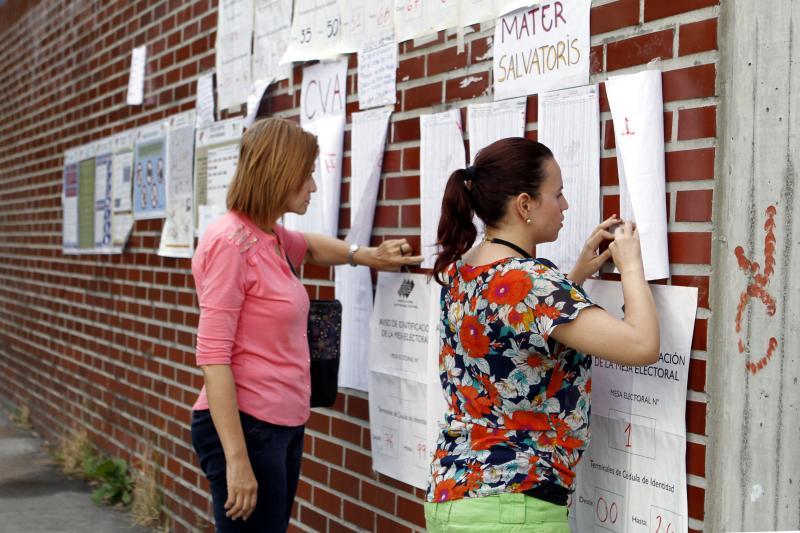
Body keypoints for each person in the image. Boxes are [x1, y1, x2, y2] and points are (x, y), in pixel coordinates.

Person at [190, 117, 422, 533]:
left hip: (281, 422)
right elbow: (213, 357)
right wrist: (237, 460)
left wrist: (367, 255)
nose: (313, 186)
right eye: (306, 175)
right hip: (248, 425)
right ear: (279, 173)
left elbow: (311, 245)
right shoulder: (228, 243)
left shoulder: (269, 236)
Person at [425, 138, 659, 532]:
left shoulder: (463, 269)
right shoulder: (534, 283)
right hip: (513, 507)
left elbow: (513, 335)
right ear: (525, 205)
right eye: (558, 193)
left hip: (454, 495)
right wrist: (631, 263)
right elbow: (642, 345)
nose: (565, 205)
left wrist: (574, 278)